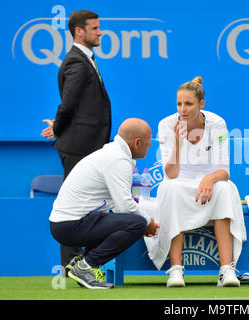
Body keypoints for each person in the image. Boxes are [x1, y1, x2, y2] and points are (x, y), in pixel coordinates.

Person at [145, 76, 246, 287]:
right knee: (171, 188)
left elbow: (224, 171)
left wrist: (210, 178)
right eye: (179, 104)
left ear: (201, 104)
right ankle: (175, 270)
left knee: (225, 189)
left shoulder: (217, 123)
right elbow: (171, 174)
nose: (183, 109)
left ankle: (226, 269)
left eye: (189, 104)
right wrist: (178, 144)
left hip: (211, 186)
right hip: (179, 184)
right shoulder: (166, 125)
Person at [49, 118, 160, 289]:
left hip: (64, 224)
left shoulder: (112, 154)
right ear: (137, 142)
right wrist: (148, 222)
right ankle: (86, 266)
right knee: (137, 223)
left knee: (122, 219)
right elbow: (125, 206)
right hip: (70, 225)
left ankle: (83, 263)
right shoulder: (118, 160)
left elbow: (117, 208)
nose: (150, 145)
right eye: (148, 142)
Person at [41, 10, 112, 269]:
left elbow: (76, 106)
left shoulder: (85, 60)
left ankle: (82, 262)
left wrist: (59, 127)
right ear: (79, 32)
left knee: (89, 204)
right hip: (79, 147)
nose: (100, 32)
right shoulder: (76, 62)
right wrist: (60, 128)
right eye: (94, 28)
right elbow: (68, 104)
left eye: (99, 27)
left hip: (87, 146)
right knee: (72, 208)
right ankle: (72, 264)